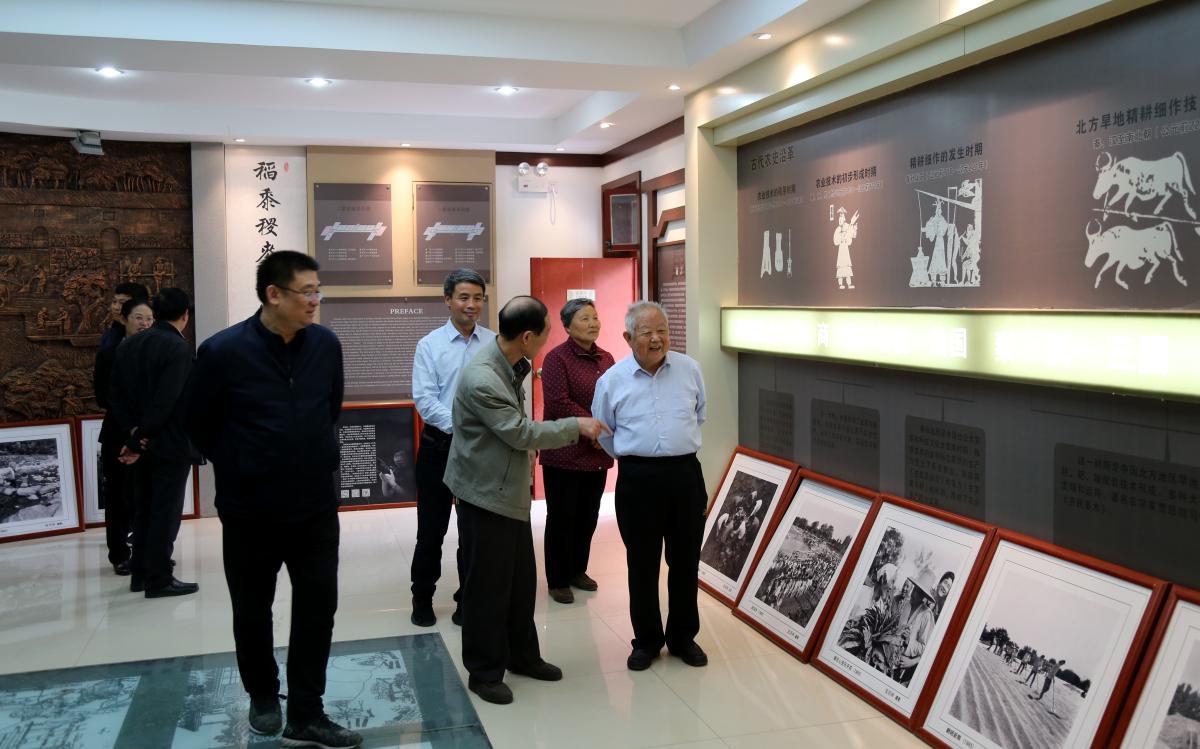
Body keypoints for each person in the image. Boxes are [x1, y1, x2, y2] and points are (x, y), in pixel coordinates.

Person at [185, 251, 361, 748]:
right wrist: (244, 463)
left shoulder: (325, 345)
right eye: (307, 291)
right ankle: (263, 695)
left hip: (315, 506)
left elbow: (329, 408)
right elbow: (197, 422)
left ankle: (307, 711)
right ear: (273, 294)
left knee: (317, 607)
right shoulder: (223, 352)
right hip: (250, 510)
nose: (315, 300)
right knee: (252, 608)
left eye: (317, 290)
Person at [443, 296, 609, 706]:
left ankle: (522, 656)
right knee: (487, 587)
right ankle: (484, 672)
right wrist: (575, 425)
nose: (548, 341)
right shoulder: (484, 377)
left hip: (508, 491)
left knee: (519, 583)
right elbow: (519, 432)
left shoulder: (510, 362)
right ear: (528, 336)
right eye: (546, 333)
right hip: (485, 495)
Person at [591, 301, 709, 671]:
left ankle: (683, 637)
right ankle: (646, 641)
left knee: (685, 561)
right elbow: (604, 432)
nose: (657, 339)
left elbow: (699, 415)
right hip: (637, 480)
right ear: (628, 337)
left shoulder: (690, 370)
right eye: (647, 333)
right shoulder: (612, 380)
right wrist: (636, 457)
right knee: (641, 563)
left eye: (662, 331)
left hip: (685, 475)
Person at [409, 268, 495, 627]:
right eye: (463, 297)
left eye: (477, 298)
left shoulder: (494, 343)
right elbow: (425, 401)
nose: (471, 304)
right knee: (431, 530)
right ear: (447, 300)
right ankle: (422, 598)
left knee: (473, 532)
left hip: (483, 451)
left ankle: (468, 599)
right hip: (439, 448)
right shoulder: (429, 345)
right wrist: (463, 428)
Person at [108, 287, 200, 598]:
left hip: (138, 440)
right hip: (168, 443)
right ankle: (158, 578)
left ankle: (140, 574)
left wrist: (133, 434)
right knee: (165, 512)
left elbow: (116, 396)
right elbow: (166, 401)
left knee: (144, 509)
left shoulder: (129, 344)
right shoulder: (178, 347)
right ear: (185, 315)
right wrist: (141, 438)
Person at [539, 298, 614, 604]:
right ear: (567, 326)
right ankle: (557, 579)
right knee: (562, 517)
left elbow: (614, 398)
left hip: (597, 451)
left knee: (588, 516)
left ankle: (577, 570)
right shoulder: (556, 359)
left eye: (595, 317)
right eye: (584, 318)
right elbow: (558, 403)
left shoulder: (606, 358)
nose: (593, 323)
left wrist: (603, 429)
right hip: (564, 451)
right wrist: (592, 426)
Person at [93, 297, 153, 575]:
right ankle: (119, 554)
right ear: (125, 320)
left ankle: (148, 552)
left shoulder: (156, 353)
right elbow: (103, 397)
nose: (145, 323)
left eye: (149, 319)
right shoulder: (110, 354)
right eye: (139, 318)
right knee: (118, 497)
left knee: (146, 496)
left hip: (148, 434)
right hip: (118, 434)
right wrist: (131, 422)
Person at [99, 282, 150, 352]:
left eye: (122, 303)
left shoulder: (149, 335)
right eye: (114, 301)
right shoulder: (110, 335)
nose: (115, 307)